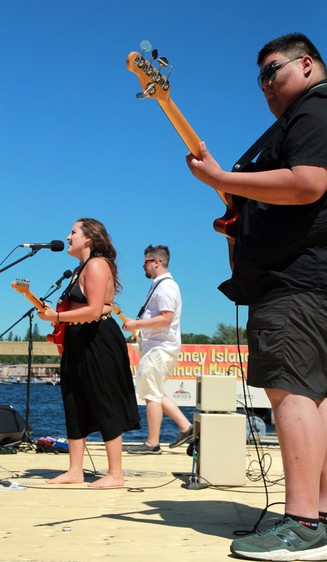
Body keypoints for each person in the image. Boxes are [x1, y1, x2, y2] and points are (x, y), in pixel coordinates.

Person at [186, 33, 327, 560]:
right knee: (312, 397)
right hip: (306, 279)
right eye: (260, 78)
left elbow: (309, 183)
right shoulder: (300, 119)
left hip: (294, 281)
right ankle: (318, 514)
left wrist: (223, 178)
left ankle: (301, 524)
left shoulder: (315, 109)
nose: (265, 85)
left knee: (290, 391)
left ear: (308, 64)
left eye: (273, 70)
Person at [37, 218, 140, 488]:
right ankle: (75, 470)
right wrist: (55, 316)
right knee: (73, 400)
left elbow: (95, 310)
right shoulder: (78, 269)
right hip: (78, 340)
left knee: (103, 399)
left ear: (89, 239)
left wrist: (57, 315)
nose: (68, 237)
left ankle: (115, 474)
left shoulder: (96, 264)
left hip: (99, 340)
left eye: (73, 232)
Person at [122, 245, 193, 455]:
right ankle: (186, 427)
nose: (142, 265)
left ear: (156, 262)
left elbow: (166, 318)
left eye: (145, 262)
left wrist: (137, 325)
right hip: (158, 347)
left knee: (151, 395)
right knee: (154, 392)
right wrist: (140, 330)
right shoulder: (160, 285)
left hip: (159, 348)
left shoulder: (165, 287)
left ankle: (152, 443)